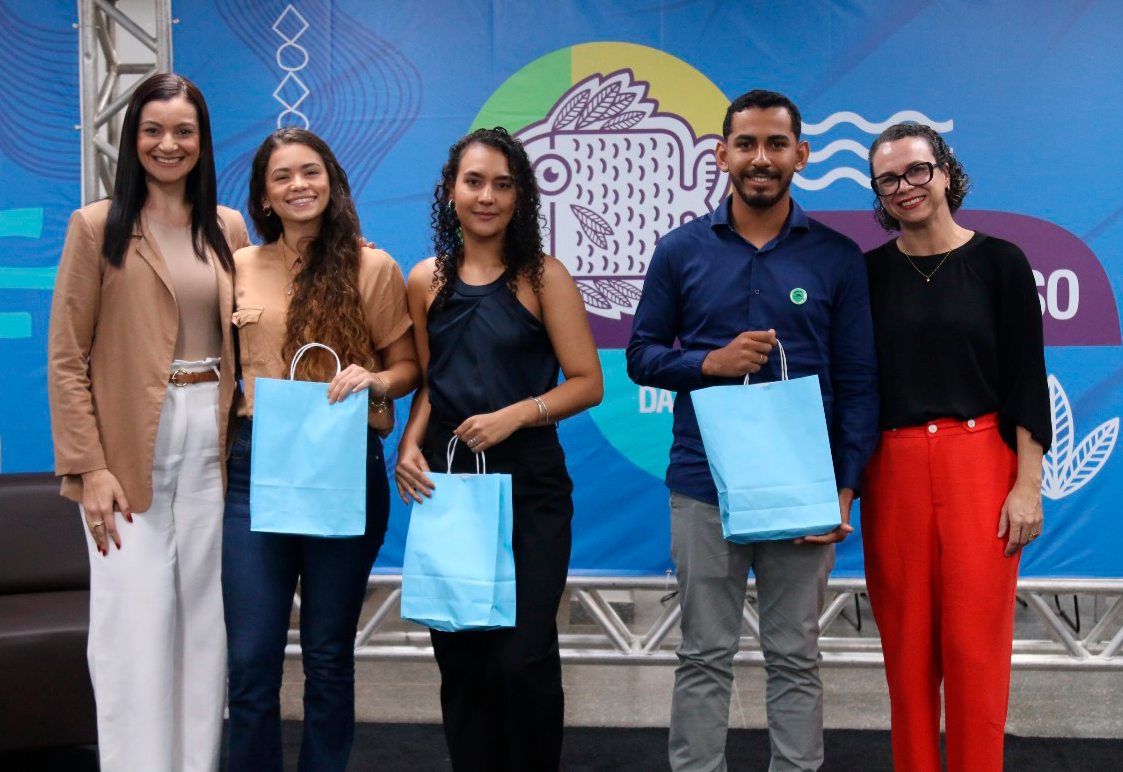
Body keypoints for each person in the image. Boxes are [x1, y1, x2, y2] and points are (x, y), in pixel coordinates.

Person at [626, 89, 878, 772]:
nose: (760, 159)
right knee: (703, 654)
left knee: (796, 656)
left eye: (775, 144)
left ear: (801, 154)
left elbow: (858, 384)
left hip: (806, 492)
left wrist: (845, 490)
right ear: (723, 154)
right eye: (746, 144)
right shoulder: (680, 250)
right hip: (704, 485)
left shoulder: (837, 257)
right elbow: (640, 356)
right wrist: (709, 362)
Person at [47, 73, 249, 771]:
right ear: (132, 139)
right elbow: (67, 357)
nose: (169, 143)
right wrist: (89, 466)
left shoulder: (227, 227)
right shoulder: (95, 226)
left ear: (203, 140)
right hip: (127, 447)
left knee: (202, 630)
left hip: (211, 444)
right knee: (133, 630)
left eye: (183, 130)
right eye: (154, 130)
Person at [394, 127, 602, 771]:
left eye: (502, 185)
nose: (487, 197)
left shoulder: (544, 277)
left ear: (521, 197)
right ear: (450, 192)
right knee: (461, 659)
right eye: (474, 182)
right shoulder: (425, 279)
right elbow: (434, 381)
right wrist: (408, 441)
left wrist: (516, 415)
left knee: (521, 657)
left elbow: (588, 383)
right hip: (450, 486)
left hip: (531, 489)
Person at [221, 127, 420, 771]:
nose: (298, 185)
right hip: (254, 466)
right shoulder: (238, 268)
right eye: (282, 177)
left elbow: (408, 366)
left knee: (329, 654)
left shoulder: (374, 267)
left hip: (344, 463)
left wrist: (377, 380)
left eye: (310, 172)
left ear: (331, 183)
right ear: (264, 197)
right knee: (251, 658)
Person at [860, 122, 1050, 772]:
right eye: (889, 179)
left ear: (945, 171)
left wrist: (1028, 486)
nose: (905, 187)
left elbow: (1027, 378)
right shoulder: (867, 276)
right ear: (879, 196)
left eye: (916, 170)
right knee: (907, 657)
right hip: (895, 470)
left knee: (976, 652)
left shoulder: (1001, 262)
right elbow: (856, 386)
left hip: (982, 466)